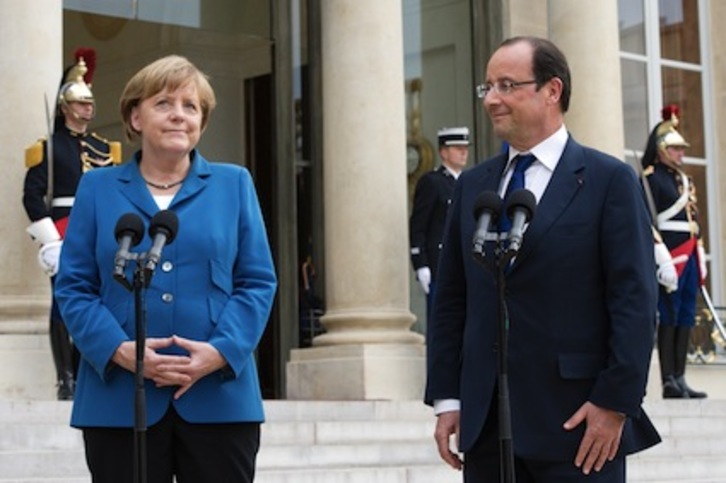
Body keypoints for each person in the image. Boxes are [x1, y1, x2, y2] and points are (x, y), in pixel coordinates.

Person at [425, 36, 661, 481]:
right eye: (487, 87)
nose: (492, 99)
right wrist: (448, 398)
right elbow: (450, 298)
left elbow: (635, 300)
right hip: (487, 426)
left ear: (552, 90)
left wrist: (615, 403)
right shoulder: (474, 185)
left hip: (579, 427)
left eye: (507, 85)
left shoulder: (609, 180)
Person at [54, 55, 277, 482]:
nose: (179, 115)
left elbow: (257, 282)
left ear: (202, 122)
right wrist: (119, 350)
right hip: (119, 400)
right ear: (135, 116)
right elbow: (74, 287)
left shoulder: (234, 184)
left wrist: (222, 351)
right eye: (164, 104)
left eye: (190, 106)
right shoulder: (97, 188)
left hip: (219, 398)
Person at [22, 47, 122, 400]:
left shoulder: (105, 148)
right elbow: (32, 197)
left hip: (100, 231)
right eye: (81, 103)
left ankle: (87, 372)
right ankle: (66, 379)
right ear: (65, 107)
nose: (88, 109)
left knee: (98, 304)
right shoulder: (47, 148)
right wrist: (50, 241)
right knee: (63, 305)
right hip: (64, 230)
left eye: (90, 103)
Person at [641, 105, 708, 399]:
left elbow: (694, 220)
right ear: (661, 149)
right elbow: (646, 218)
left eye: (682, 148)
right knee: (668, 315)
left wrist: (701, 252)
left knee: (685, 315)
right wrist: (660, 255)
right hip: (670, 253)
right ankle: (668, 379)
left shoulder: (685, 181)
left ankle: (680, 377)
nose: (681, 153)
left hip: (689, 252)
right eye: (676, 148)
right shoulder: (651, 178)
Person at [409, 127, 469, 324]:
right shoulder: (432, 182)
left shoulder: (469, 182)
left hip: (465, 265)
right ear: (443, 152)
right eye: (457, 148)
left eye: (465, 148)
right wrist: (421, 264)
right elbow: (418, 225)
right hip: (440, 267)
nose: (464, 152)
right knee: (442, 326)